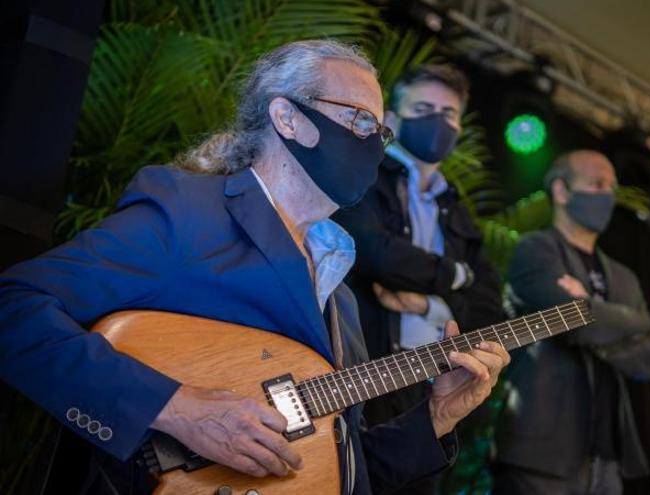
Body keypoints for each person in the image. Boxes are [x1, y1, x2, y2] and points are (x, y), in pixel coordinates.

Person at [0, 40, 510, 495]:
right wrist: (177, 408)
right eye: (358, 120)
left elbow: (337, 470)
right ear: (287, 118)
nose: (374, 142)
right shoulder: (189, 212)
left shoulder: (342, 295)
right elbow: (14, 309)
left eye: (379, 129)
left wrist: (436, 417)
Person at [333, 63, 505, 494]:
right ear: (392, 119)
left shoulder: (456, 208)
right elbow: (374, 253)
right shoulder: (366, 176)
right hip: (363, 375)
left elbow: (489, 304)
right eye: (424, 108)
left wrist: (429, 304)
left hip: (430, 387)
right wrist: (454, 274)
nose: (438, 121)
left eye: (449, 114)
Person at [492, 150, 650, 495]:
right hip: (541, 451)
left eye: (612, 187)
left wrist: (587, 307)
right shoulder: (536, 250)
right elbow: (572, 322)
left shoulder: (625, 277)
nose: (608, 195)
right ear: (562, 191)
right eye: (597, 183)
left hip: (606, 458)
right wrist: (626, 322)